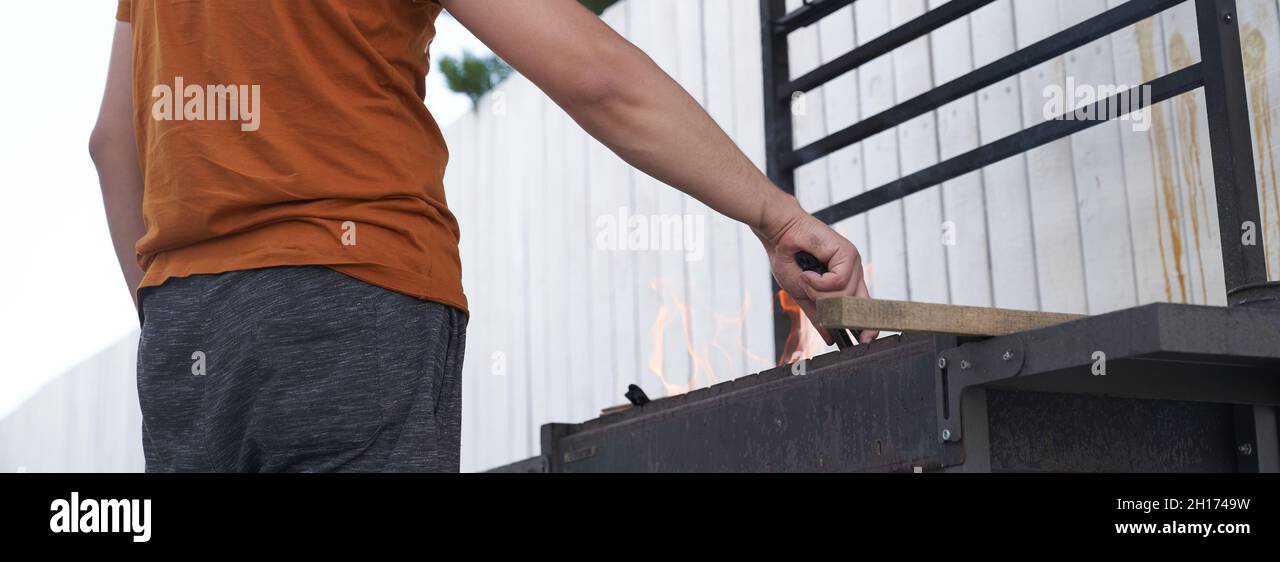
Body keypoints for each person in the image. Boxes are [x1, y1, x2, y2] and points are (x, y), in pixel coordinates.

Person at [91, 0, 875, 473]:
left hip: (185, 333)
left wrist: (189, 322)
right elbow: (594, 74)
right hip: (354, 298)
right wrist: (775, 216)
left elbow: (111, 146)